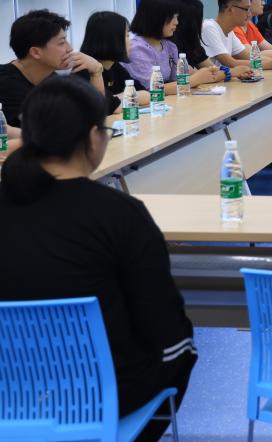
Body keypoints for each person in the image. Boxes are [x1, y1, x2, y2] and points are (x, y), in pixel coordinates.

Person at [0, 76, 196, 442]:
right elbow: (163, 324)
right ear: (94, 137)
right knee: (181, 345)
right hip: (100, 398)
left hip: (10, 396)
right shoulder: (120, 214)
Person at [0, 9, 105, 127]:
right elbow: (45, 130)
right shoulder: (6, 83)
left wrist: (96, 71)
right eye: (61, 43)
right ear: (35, 52)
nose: (70, 48)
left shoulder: (51, 77)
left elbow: (95, 112)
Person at [125, 0, 219, 93]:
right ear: (156, 18)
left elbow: (177, 79)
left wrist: (205, 74)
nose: (176, 22)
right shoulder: (137, 49)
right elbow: (153, 90)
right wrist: (196, 79)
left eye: (177, 17)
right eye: (172, 17)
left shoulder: (169, 46)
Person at [80, 10, 151, 112]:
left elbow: (146, 94)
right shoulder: (85, 72)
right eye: (127, 36)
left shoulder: (114, 66)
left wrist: (114, 99)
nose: (131, 42)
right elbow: (109, 107)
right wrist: (122, 98)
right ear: (111, 39)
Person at [201, 0, 271, 73]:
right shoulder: (209, 28)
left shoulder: (229, 32)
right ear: (231, 9)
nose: (249, 14)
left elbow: (251, 56)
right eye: (246, 9)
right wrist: (271, 64)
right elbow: (231, 63)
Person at [172, 0, 228, 80]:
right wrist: (232, 72)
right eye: (200, 18)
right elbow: (202, 76)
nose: (202, 22)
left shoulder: (192, 41)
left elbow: (212, 69)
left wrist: (224, 72)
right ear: (191, 22)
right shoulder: (171, 45)